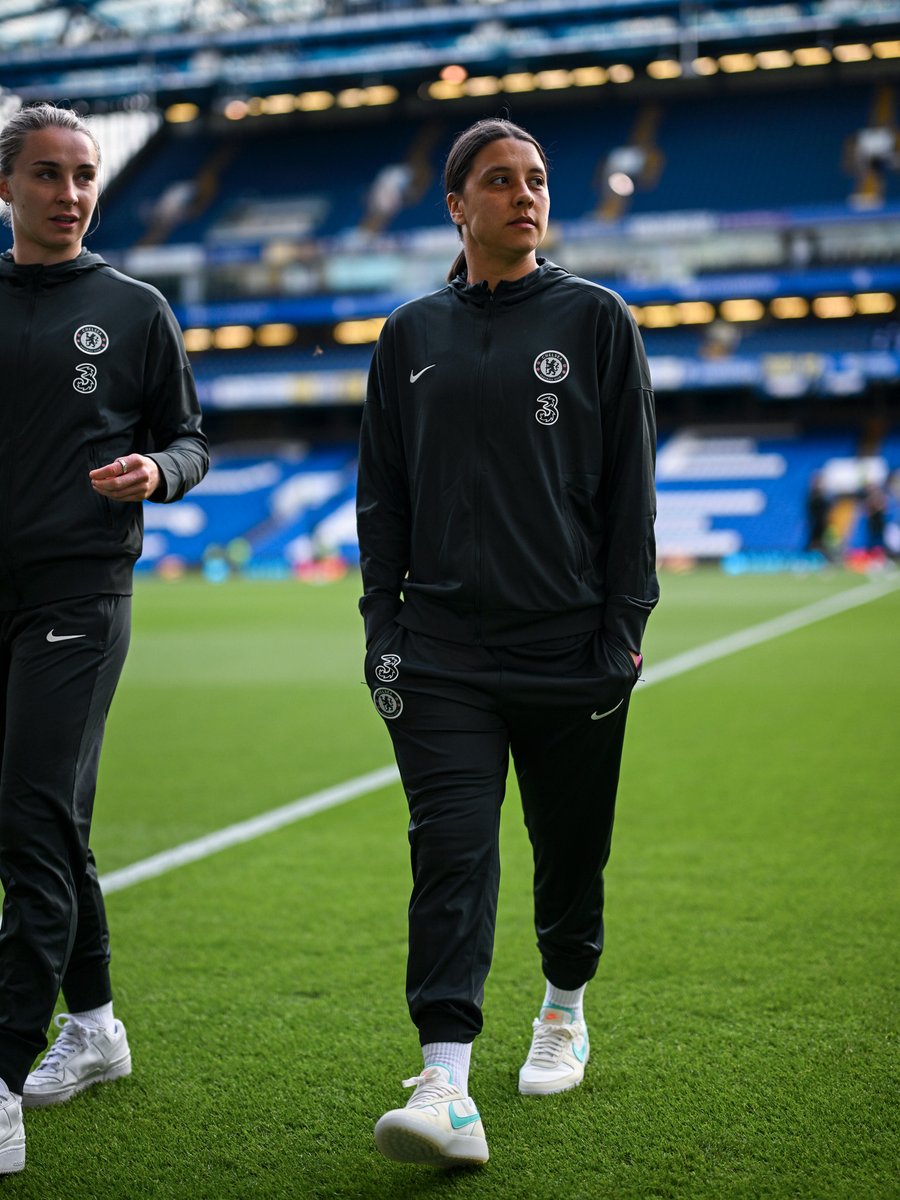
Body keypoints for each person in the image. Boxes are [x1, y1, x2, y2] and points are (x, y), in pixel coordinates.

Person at [356, 117, 658, 1169]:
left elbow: (633, 496)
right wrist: (381, 631)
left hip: (573, 648)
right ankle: (445, 1082)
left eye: (535, 180)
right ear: (457, 205)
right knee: (452, 850)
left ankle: (565, 1003)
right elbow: (381, 501)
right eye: (499, 181)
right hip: (439, 654)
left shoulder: (596, 319)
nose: (525, 196)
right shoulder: (410, 337)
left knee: (569, 859)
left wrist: (622, 633)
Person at [0, 103, 208, 1175]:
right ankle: (97, 1027)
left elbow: (190, 438)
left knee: (30, 817)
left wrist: (157, 472)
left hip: (82, 590)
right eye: (47, 174)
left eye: (84, 174)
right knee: (45, 825)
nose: (71, 192)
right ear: (8, 188)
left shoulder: (135, 310)